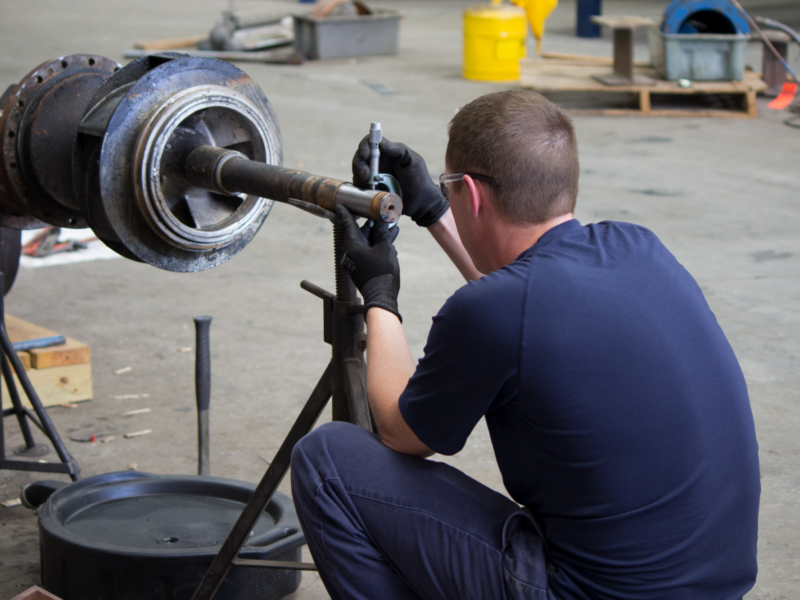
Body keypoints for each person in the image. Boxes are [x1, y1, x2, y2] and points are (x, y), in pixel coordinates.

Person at [290, 90, 760, 600]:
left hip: (587, 593)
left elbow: (403, 431)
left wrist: (379, 294)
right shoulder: (637, 246)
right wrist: (433, 212)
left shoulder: (495, 311)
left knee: (328, 461)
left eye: (449, 189)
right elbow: (520, 304)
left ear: (470, 193)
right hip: (717, 587)